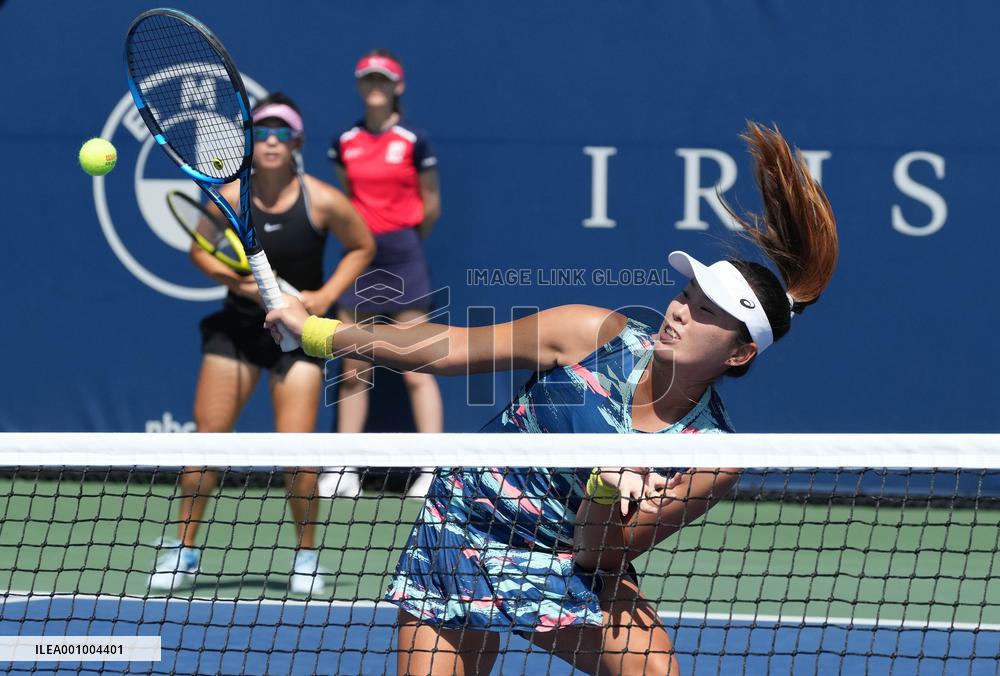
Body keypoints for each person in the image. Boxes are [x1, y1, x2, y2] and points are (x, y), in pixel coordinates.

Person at [266, 122, 838, 673]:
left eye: (707, 312)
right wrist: (318, 332)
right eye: (687, 294)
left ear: (739, 354)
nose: (680, 311)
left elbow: (597, 557)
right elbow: (445, 349)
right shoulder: (591, 333)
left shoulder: (711, 458)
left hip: (564, 558)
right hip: (463, 526)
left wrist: (603, 489)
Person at [149, 92, 376, 596]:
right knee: (207, 441)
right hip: (238, 331)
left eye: (281, 132)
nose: (271, 140)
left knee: (297, 455)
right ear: (253, 141)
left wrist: (324, 295)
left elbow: (363, 246)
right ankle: (184, 550)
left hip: (296, 340)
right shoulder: (230, 194)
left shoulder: (323, 199)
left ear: (296, 141)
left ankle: (306, 558)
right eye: (263, 132)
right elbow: (200, 252)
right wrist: (242, 285)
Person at [324, 49, 443, 499]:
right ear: (360, 86)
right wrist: (367, 238)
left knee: (418, 366)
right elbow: (346, 198)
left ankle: (432, 471)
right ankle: (345, 467)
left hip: (404, 254)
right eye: (367, 79)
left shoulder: (415, 141)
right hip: (361, 255)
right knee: (353, 365)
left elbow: (430, 204)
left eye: (383, 78)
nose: (375, 85)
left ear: (398, 86)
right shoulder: (344, 142)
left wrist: (404, 238)